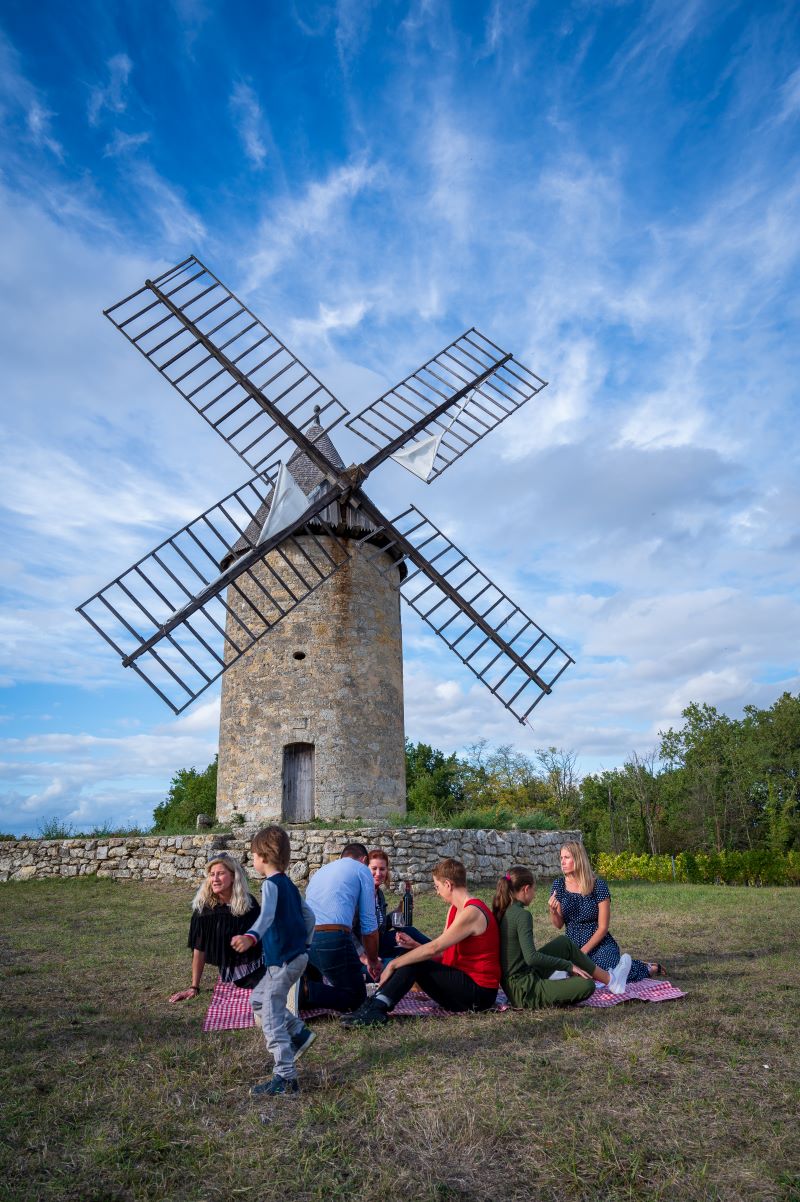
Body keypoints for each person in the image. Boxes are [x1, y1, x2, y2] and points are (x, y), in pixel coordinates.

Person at [341, 857, 500, 1028]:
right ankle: (375, 1005)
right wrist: (415, 946)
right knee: (410, 956)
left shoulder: (472, 912)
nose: (437, 892)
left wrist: (393, 964)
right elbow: (442, 952)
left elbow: (435, 948)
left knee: (413, 962)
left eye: (437, 887)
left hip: (479, 995)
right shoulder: (455, 909)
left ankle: (377, 1008)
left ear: (448, 884)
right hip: (461, 985)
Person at [229, 826, 316, 1097]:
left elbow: (265, 917)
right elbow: (310, 916)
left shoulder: (270, 885)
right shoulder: (290, 885)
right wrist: (307, 945)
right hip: (294, 958)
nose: (252, 861)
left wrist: (251, 937)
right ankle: (299, 1033)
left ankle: (286, 1078)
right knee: (258, 999)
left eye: (253, 856)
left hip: (284, 961)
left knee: (271, 1016)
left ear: (264, 856)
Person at [493, 866, 632, 1008]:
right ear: (526, 889)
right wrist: (568, 965)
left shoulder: (504, 910)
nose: (534, 894)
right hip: (524, 990)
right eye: (534, 890)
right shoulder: (522, 916)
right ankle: (610, 980)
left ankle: (611, 980)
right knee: (587, 985)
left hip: (521, 979)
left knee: (564, 943)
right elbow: (531, 957)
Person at [549, 842, 665, 981]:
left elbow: (603, 927)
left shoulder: (598, 885)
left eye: (567, 857)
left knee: (607, 969)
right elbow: (558, 925)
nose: (562, 862)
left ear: (579, 859)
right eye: (561, 858)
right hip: (571, 944)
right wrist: (553, 911)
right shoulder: (559, 885)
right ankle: (633, 964)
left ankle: (646, 968)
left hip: (598, 943)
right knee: (556, 970)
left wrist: (582, 953)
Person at [168, 852, 262, 1003]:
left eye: (220, 874)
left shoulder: (248, 903)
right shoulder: (204, 911)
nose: (215, 879)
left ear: (233, 877)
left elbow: (262, 934)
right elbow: (199, 949)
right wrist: (194, 987)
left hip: (262, 962)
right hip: (241, 975)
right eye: (212, 874)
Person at [302, 842, 380, 1012]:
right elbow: (369, 926)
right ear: (364, 860)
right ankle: (302, 992)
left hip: (304, 940)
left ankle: (301, 990)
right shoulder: (362, 870)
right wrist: (373, 960)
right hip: (331, 938)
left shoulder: (321, 871)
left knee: (320, 987)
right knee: (357, 999)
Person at [353, 848, 430, 968]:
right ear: (365, 869)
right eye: (374, 868)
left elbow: (381, 925)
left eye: (382, 869)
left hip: (378, 944)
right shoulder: (358, 894)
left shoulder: (379, 894)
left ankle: (443, 953)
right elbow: (347, 932)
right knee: (406, 965)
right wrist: (363, 957)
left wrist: (398, 911)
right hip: (361, 953)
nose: (378, 873)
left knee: (410, 932)